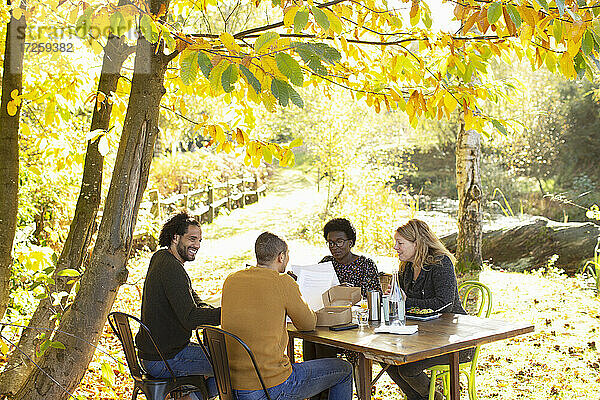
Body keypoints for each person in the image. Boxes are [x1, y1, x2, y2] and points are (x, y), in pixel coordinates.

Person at [221, 232, 353, 400]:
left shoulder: (231, 280)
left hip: (232, 385)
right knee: (344, 370)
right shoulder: (283, 282)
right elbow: (308, 324)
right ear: (281, 257)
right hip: (271, 387)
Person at [385, 219, 474, 400]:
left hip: (455, 342)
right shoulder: (406, 267)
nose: (395, 247)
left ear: (416, 243)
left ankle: (433, 397)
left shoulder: (441, 263)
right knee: (388, 361)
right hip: (421, 338)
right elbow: (403, 302)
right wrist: (393, 297)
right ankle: (424, 397)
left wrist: (405, 302)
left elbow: (445, 303)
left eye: (400, 243)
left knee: (408, 367)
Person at [135, 212, 221, 400]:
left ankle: (189, 395)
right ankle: (191, 397)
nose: (197, 245)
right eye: (192, 239)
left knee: (217, 357)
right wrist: (229, 313)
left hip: (155, 353)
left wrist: (205, 306)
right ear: (175, 237)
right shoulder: (172, 268)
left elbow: (187, 292)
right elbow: (190, 318)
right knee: (232, 365)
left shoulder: (161, 258)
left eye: (199, 240)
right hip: (165, 358)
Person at [303, 218, 382, 400]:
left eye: (339, 242)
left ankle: (325, 392)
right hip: (328, 321)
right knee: (311, 340)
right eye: (330, 242)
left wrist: (349, 292)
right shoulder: (326, 262)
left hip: (355, 326)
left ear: (350, 242)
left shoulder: (365, 264)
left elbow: (374, 299)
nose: (334, 247)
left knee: (323, 344)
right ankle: (317, 392)